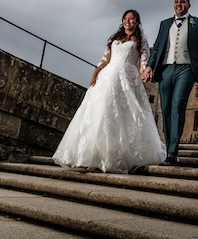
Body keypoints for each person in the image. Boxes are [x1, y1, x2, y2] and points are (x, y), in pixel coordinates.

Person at [52, 9, 166, 173]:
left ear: (137, 22)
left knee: (122, 114)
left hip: (127, 78)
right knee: (101, 111)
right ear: (122, 21)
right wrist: (95, 74)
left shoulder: (141, 41)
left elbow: (144, 61)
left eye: (132, 19)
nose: (128, 21)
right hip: (108, 77)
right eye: (126, 19)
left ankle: (115, 156)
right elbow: (105, 59)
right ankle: (90, 156)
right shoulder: (114, 39)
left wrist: (143, 72)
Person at [143, 0, 198, 165]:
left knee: (177, 106)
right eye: (176, 2)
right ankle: (167, 149)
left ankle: (173, 152)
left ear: (189, 5)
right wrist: (150, 66)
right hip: (166, 69)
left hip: (186, 68)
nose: (179, 4)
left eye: (182, 2)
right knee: (165, 109)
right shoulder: (165, 24)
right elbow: (157, 47)